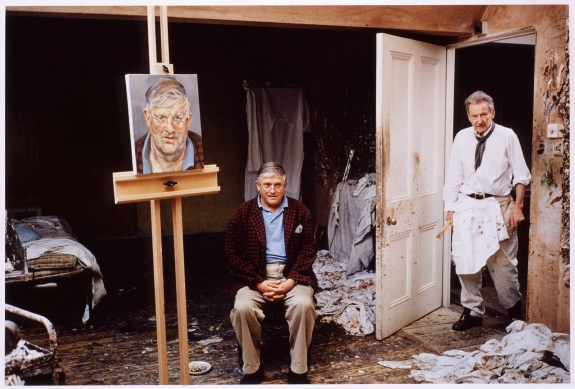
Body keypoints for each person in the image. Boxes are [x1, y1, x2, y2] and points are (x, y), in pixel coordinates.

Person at [443, 90, 531, 331]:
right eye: (474, 115)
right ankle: (472, 312)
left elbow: (521, 176)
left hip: (499, 205)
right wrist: (450, 207)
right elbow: (454, 175)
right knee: (466, 261)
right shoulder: (461, 137)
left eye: (484, 114)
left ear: (493, 112)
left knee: (503, 264)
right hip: (467, 206)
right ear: (468, 116)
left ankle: (513, 312)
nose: (479, 120)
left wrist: (518, 208)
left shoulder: (507, 136)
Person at [225, 162, 317, 385]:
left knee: (303, 305)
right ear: (258, 186)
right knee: (243, 308)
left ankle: (298, 369)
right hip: (253, 277)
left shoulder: (300, 211)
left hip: (292, 275)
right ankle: (252, 368)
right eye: (267, 185)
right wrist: (259, 283)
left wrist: (290, 282)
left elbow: (308, 250)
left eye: (277, 184)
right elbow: (233, 253)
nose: (272, 190)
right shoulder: (242, 213)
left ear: (285, 185)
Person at [134, 77, 203, 174]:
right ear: (148, 118)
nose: (170, 129)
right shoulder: (134, 155)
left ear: (188, 120)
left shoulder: (203, 150)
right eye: (161, 118)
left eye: (177, 118)